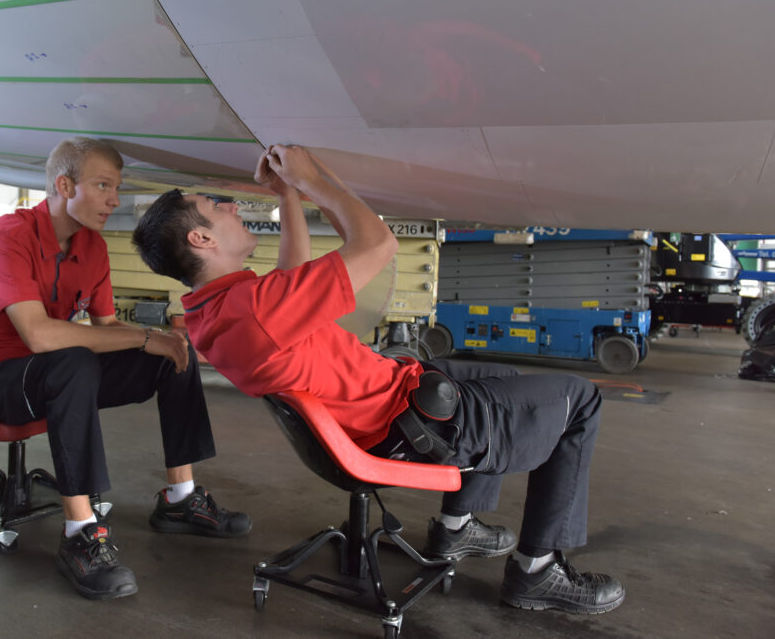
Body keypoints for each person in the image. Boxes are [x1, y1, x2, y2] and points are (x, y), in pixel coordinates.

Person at [131, 144, 625, 614]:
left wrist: (289, 197)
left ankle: (457, 529)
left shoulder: (215, 309)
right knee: (579, 400)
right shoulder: (257, 311)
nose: (231, 206)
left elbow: (293, 274)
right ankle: (537, 571)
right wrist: (312, 180)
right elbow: (378, 243)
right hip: (411, 424)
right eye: (217, 208)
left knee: (502, 376)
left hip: (391, 399)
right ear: (202, 239)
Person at [0, 137, 250, 601]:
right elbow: (39, 336)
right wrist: (143, 336)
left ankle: (180, 499)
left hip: (52, 371)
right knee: (74, 361)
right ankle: (80, 533)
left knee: (172, 354)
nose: (114, 199)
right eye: (103, 186)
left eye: (117, 187)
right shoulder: (9, 235)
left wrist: (160, 343)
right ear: (64, 184)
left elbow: (106, 329)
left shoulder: (92, 247)